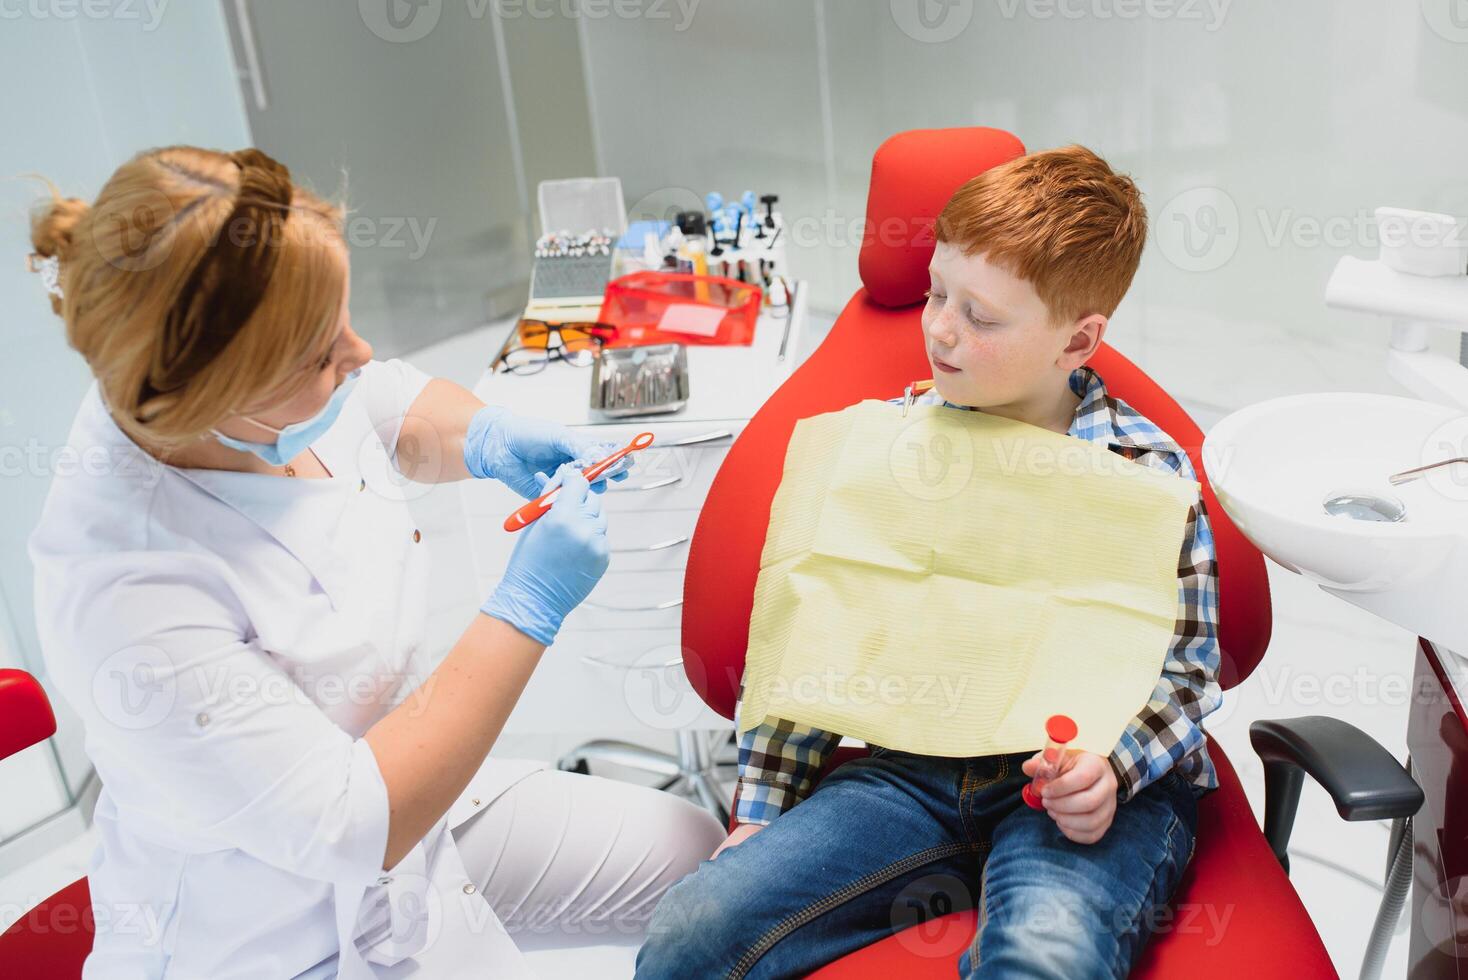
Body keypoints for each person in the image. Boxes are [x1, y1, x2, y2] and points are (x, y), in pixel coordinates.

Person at [25, 145, 724, 979]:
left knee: (702, 867)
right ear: (212, 397)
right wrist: (528, 607)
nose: (357, 353)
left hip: (417, 819)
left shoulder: (207, 377)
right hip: (278, 927)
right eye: (321, 356)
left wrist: (492, 436)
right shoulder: (125, 596)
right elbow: (353, 821)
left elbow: (385, 401)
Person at [635, 145, 1219, 979]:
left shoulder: (1145, 477)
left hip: (1080, 786)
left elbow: (1190, 675)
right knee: (692, 934)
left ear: (1077, 340)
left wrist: (1111, 771)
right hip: (914, 767)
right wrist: (763, 814)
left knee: (1041, 961)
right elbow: (813, 637)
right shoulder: (886, 445)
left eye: (981, 317)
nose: (941, 326)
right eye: (939, 292)